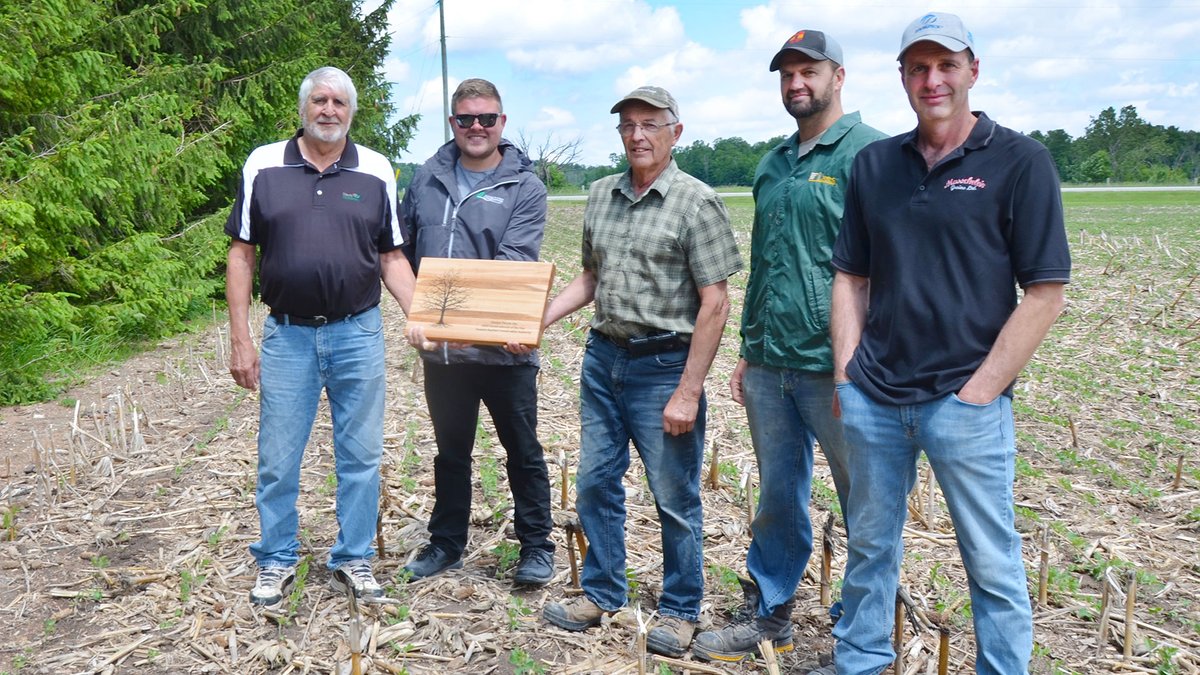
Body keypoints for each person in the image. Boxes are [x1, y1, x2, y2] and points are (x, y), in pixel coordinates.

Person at [825, 13, 1071, 674]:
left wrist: (978, 392)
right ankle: (861, 661)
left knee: (990, 560)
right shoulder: (876, 165)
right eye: (918, 67)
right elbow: (850, 276)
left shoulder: (1021, 162)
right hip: (876, 397)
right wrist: (847, 375)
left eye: (946, 66)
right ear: (903, 76)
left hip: (964, 404)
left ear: (973, 70)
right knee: (870, 547)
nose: (932, 80)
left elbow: (1045, 292)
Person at [690, 30, 886, 664]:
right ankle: (771, 613)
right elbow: (766, 263)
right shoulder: (772, 164)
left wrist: (863, 362)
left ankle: (862, 631)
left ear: (839, 76)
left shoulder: (873, 155)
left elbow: (887, 267)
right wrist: (749, 349)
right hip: (772, 366)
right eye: (786, 74)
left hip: (841, 370)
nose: (796, 83)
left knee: (866, 502)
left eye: (809, 71)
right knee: (778, 492)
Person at [539, 86, 742, 658]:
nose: (637, 135)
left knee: (674, 494)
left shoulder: (697, 202)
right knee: (595, 481)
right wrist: (541, 321)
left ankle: (680, 609)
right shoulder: (602, 194)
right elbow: (589, 278)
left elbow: (716, 303)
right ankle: (602, 591)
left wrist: (689, 389)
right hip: (604, 358)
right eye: (628, 125)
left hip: (664, 365)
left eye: (650, 124)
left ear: (676, 132)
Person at [226, 66, 416, 607]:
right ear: (303, 107)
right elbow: (242, 254)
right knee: (278, 456)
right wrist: (241, 338)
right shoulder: (263, 164)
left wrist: (419, 314)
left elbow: (392, 256)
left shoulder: (376, 170)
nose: (328, 110)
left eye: (339, 102)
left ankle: (354, 557)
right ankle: (276, 557)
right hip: (287, 338)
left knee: (360, 455)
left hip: (358, 332)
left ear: (351, 112)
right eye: (319, 100)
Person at [398, 78, 556, 586]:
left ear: (501, 123)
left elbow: (512, 263)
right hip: (443, 356)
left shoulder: (524, 186)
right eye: (466, 119)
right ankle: (446, 543)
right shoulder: (426, 179)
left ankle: (536, 546)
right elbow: (400, 249)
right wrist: (419, 314)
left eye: (487, 118)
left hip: (504, 352)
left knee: (523, 452)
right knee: (451, 453)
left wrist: (485, 321)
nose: (477, 128)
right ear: (453, 123)